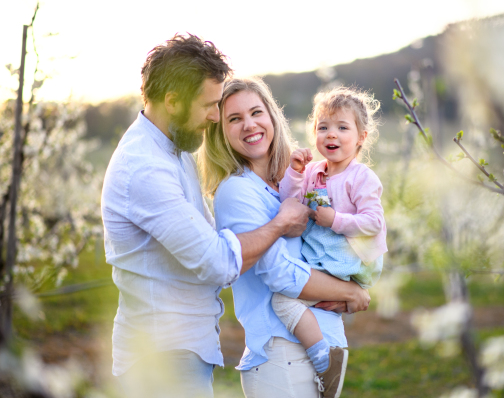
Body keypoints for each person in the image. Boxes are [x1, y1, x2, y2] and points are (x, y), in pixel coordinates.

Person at [100, 34, 313, 398]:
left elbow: (214, 244)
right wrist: (280, 224)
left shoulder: (175, 151)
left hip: (184, 351)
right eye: (209, 106)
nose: (214, 117)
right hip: (163, 359)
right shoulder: (145, 168)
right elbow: (216, 261)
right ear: (172, 101)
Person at [201, 77, 370, 398]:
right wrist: (350, 291)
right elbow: (280, 273)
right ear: (220, 132)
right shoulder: (237, 190)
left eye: (256, 112)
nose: (249, 124)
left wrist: (355, 281)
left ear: (272, 115)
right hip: (282, 354)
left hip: (319, 347)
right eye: (234, 119)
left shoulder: (297, 180)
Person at [272, 86, 387, 397]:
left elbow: (373, 222)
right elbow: (289, 204)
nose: (331, 134)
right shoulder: (312, 172)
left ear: (362, 136)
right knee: (305, 299)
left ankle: (323, 359)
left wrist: (335, 219)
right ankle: (336, 308)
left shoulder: (361, 177)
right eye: (323, 127)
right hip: (320, 256)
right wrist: (294, 173)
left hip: (341, 257)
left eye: (342, 127)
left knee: (282, 301)